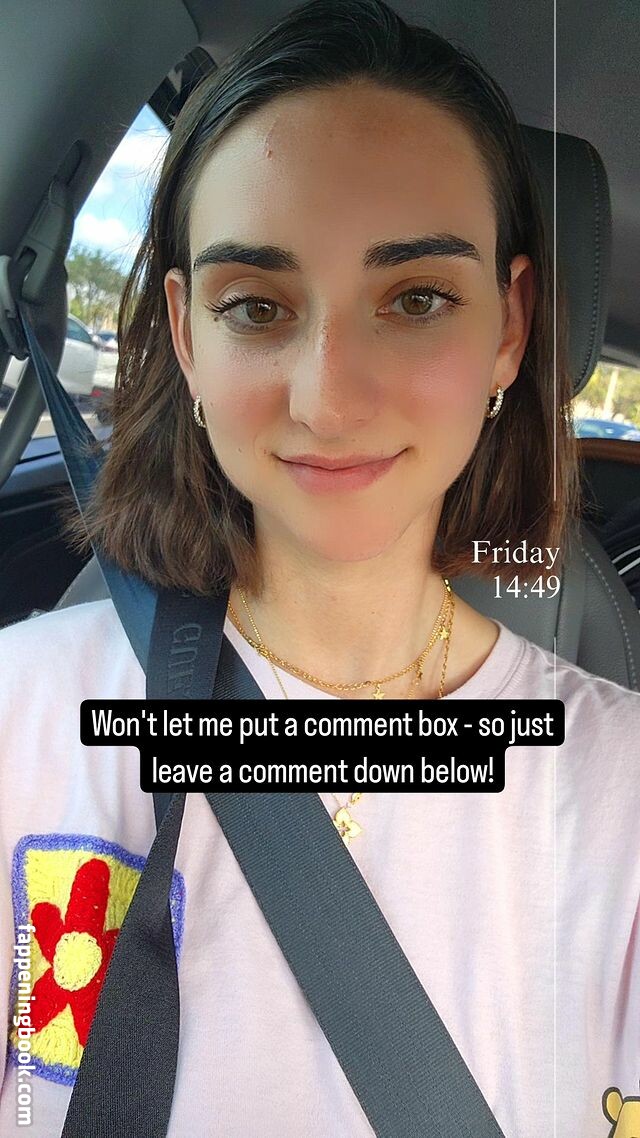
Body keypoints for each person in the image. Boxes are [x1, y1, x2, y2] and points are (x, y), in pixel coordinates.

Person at [1, 1, 639, 1135]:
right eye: (257, 306)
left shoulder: (617, 794)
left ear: (508, 326)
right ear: (187, 335)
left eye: (417, 299)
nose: (328, 398)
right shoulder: (21, 713)